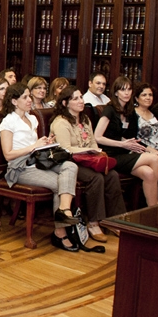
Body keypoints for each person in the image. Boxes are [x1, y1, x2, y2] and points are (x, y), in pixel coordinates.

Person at [0, 83, 81, 251]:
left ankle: (64, 210)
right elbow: (8, 154)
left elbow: (35, 147)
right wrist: (34, 146)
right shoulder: (8, 122)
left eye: (29, 96)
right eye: (25, 97)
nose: (30, 100)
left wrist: (45, 143)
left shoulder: (32, 118)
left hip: (37, 161)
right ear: (14, 101)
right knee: (61, 184)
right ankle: (60, 233)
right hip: (19, 167)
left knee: (70, 167)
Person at [50, 87, 125, 242]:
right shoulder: (60, 122)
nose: (81, 101)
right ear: (65, 103)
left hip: (88, 159)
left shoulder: (85, 119)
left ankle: (115, 220)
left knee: (112, 175)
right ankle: (93, 222)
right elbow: (65, 148)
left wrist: (93, 150)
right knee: (95, 178)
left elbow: (92, 141)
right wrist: (88, 150)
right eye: (76, 99)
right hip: (69, 162)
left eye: (81, 98)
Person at [94, 76, 158, 206]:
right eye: (122, 90)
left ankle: (150, 208)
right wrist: (122, 144)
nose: (126, 93)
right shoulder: (109, 110)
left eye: (129, 89)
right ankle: (155, 209)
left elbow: (131, 138)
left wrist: (148, 148)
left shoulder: (130, 112)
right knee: (154, 159)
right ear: (116, 92)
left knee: (149, 173)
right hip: (110, 154)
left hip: (124, 153)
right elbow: (97, 137)